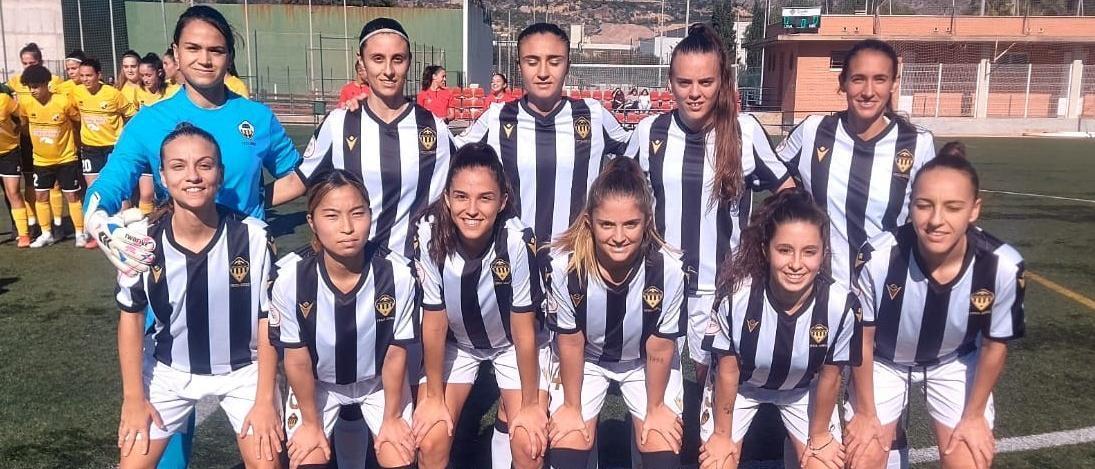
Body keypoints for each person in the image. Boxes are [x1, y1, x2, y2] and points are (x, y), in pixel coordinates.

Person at [275, 17, 454, 467]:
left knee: (394, 406)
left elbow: (456, 195)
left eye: (398, 60)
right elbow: (302, 178)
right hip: (341, 273)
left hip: (404, 282)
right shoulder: (341, 122)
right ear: (361, 66)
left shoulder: (434, 128)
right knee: (338, 376)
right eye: (378, 60)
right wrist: (232, 204)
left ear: (409, 65)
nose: (389, 70)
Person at [456, 23, 631, 466]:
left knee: (574, 394)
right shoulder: (499, 119)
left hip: (579, 272)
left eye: (553, 61)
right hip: (515, 274)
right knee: (519, 399)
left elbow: (640, 157)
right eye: (532, 61)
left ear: (567, 64)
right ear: (519, 66)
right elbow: (452, 159)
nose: (543, 71)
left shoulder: (593, 116)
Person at [624, 22, 794, 461]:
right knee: (652, 394)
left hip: (718, 290)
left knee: (707, 393)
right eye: (684, 82)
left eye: (705, 81)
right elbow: (618, 196)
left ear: (722, 82)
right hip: (656, 288)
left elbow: (790, 197)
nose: (695, 92)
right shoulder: (649, 133)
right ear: (670, 83)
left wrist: (760, 249)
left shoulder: (745, 132)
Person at [774, 39, 937, 467]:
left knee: (876, 423)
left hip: (886, 304)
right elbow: (774, 175)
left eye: (879, 79)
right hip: (820, 299)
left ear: (893, 84)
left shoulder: (917, 144)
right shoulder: (814, 133)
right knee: (816, 415)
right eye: (858, 78)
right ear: (843, 83)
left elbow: (929, 216)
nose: (868, 89)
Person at [86, 5, 301, 277]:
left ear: (230, 56)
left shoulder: (257, 117)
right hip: (174, 268)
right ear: (176, 53)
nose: (205, 59)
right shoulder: (150, 121)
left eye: (216, 50)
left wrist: (253, 199)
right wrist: (96, 217)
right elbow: (113, 178)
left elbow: (296, 176)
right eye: (193, 48)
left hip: (245, 262)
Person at [846, 142, 1025, 469]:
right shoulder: (877, 258)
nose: (936, 220)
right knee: (862, 457)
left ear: (974, 209)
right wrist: (866, 413)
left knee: (969, 459)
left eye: (953, 207)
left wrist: (973, 416)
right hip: (885, 361)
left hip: (953, 360)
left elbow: (993, 347)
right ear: (910, 206)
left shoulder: (1002, 266)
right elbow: (863, 340)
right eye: (924, 205)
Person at [114, 123, 282, 469]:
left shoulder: (254, 237)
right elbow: (130, 318)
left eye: (204, 165)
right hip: (167, 371)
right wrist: (133, 398)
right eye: (178, 166)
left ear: (220, 174)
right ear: (161, 176)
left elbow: (269, 322)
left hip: (244, 371)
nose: (193, 176)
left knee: (267, 464)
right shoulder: (141, 241)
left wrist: (265, 398)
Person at [697, 189, 860, 469]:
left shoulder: (840, 305)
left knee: (823, 463)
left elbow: (829, 377)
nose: (796, 264)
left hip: (801, 389)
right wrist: (722, 436)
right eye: (784, 250)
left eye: (809, 252)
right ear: (765, 250)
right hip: (742, 386)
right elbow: (727, 372)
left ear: (823, 254)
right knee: (717, 462)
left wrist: (819, 435)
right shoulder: (736, 299)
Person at [411, 143, 549, 469]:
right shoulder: (429, 233)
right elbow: (433, 321)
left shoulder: (516, 240)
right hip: (458, 345)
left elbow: (523, 329)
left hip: (510, 346)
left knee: (530, 446)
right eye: (461, 196)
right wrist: (432, 397)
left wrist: (530, 404)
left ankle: (510, 412)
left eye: (485, 198)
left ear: (502, 201)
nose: (472, 209)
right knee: (430, 438)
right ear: (446, 197)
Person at [544, 156, 687, 468]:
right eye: (607, 224)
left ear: (647, 222)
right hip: (588, 359)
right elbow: (570, 342)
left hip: (642, 362)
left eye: (631, 224)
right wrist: (570, 405)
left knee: (660, 445)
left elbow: (660, 346)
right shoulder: (565, 266)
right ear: (589, 223)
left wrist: (656, 406)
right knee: (569, 442)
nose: (619, 236)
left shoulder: (669, 270)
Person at [272, 169, 419, 469]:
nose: (348, 227)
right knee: (307, 458)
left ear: (370, 214)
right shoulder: (290, 277)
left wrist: (391, 418)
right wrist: (311, 424)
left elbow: (395, 355)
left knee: (401, 457)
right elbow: (297, 360)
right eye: (332, 216)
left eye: (357, 213)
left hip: (378, 384)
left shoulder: (398, 274)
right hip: (317, 385)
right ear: (311, 222)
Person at [17, 65, 91, 248]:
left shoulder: (63, 102)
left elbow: (77, 121)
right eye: (29, 87)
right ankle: (46, 233)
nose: (32, 91)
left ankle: (80, 233)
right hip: (41, 160)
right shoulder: (26, 104)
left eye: (35, 86)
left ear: (46, 84)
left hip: (66, 159)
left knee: (72, 197)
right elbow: (24, 126)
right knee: (41, 196)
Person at [8, 43, 64, 238]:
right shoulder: (15, 82)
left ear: (40, 62)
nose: (28, 66)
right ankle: (34, 223)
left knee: (55, 183)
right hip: (26, 139)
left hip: (50, 137)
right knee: (31, 182)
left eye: (32, 62)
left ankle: (57, 223)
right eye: (25, 63)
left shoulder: (55, 82)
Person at [74, 58, 136, 188]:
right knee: (93, 188)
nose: (85, 79)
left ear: (99, 75)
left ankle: (123, 209)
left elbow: (131, 114)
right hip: (89, 147)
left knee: (117, 187)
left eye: (89, 75)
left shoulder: (113, 94)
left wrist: (124, 137)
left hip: (112, 146)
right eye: (82, 76)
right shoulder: (76, 92)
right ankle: (98, 209)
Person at [0, 83, 29, 247]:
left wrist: (18, 128)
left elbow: (22, 116)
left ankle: (23, 233)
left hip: (8, 153)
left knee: (13, 192)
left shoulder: (4, 99)